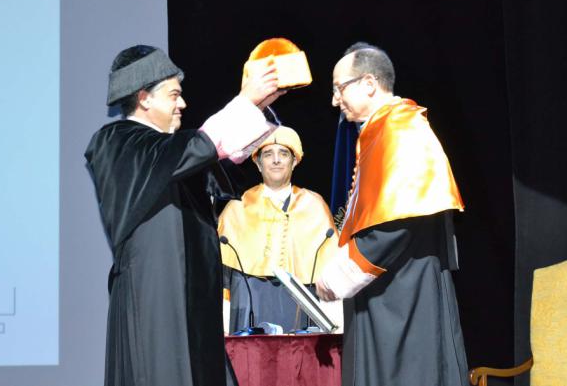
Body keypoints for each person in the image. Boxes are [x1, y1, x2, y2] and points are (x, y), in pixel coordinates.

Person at [84, 44, 284, 386]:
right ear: (145, 98)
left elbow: (213, 159)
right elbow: (196, 147)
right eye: (174, 95)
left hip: (190, 296)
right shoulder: (116, 143)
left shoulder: (165, 152)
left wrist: (256, 107)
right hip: (155, 296)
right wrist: (245, 103)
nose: (183, 104)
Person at [315, 42, 468, 386]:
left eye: (340, 89)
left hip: (402, 292)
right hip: (392, 285)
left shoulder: (400, 130)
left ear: (369, 83)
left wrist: (340, 275)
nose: (335, 101)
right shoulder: (380, 130)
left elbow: (395, 223)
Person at [218, 126, 340, 333]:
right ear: (257, 163)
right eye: (268, 154)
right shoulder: (237, 206)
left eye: (283, 154)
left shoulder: (314, 205)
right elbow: (222, 275)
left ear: (294, 161)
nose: (276, 160)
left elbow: (330, 267)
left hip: (301, 297)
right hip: (250, 294)